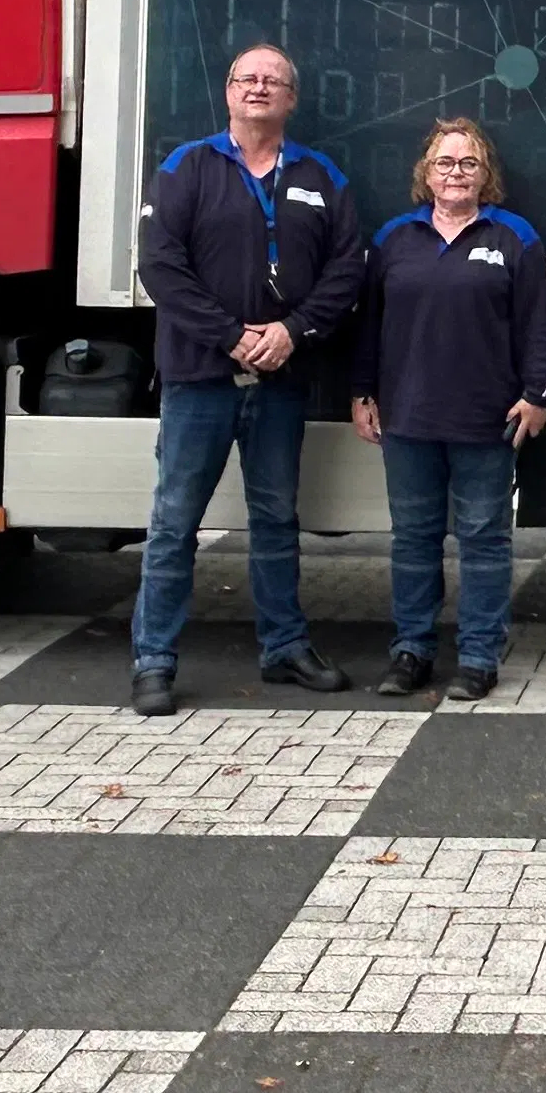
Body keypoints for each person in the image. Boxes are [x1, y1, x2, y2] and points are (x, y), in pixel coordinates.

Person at [129, 43, 366, 714]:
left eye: (274, 81)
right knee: (175, 522)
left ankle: (284, 647)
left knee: (276, 519)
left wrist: (291, 332)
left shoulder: (322, 178)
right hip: (200, 378)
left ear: (292, 99)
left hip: (282, 379)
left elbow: (347, 268)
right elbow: (161, 267)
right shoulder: (187, 168)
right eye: (246, 78)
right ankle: (153, 661)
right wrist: (231, 336)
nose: (259, 88)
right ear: (228, 93)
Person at [352, 116, 546, 700]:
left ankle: (477, 657)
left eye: (468, 163)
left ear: (485, 173)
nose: (456, 173)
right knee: (414, 538)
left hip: (486, 417)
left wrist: (540, 391)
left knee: (484, 538)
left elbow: (537, 325)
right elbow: (368, 326)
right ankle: (412, 651)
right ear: (426, 173)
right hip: (407, 416)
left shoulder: (515, 237)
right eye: (445, 162)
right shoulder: (393, 238)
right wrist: (362, 393)